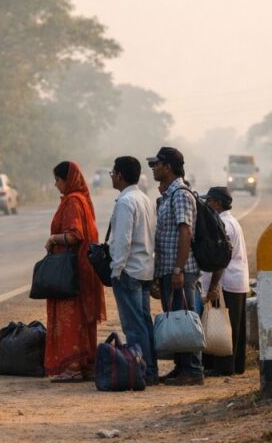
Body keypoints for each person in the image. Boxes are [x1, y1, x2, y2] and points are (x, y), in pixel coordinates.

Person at [43, 161, 106, 382]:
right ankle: (85, 364)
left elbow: (74, 234)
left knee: (70, 317)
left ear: (66, 180)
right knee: (81, 316)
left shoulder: (72, 202)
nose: (56, 184)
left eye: (58, 180)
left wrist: (53, 239)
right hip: (83, 268)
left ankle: (72, 366)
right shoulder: (82, 200)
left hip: (71, 271)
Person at [147, 146, 204, 386]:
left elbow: (186, 231)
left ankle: (192, 370)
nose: (153, 169)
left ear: (168, 167)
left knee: (184, 318)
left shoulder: (180, 194)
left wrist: (179, 269)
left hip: (180, 268)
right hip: (169, 268)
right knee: (176, 318)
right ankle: (182, 367)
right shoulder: (169, 195)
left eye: (156, 164)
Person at [107, 156, 158, 385]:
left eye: (113, 172)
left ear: (120, 175)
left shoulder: (126, 202)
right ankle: (151, 369)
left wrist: (116, 270)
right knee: (144, 323)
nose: (111, 176)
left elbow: (123, 241)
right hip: (145, 268)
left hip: (129, 271)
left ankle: (143, 372)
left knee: (134, 327)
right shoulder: (145, 199)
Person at [200, 186, 250, 376]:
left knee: (224, 325)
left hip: (227, 281)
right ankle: (236, 365)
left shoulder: (223, 224)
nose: (206, 204)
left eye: (209, 201)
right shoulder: (231, 221)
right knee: (235, 325)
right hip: (237, 280)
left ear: (217, 203)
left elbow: (221, 259)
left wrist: (213, 286)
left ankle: (223, 367)